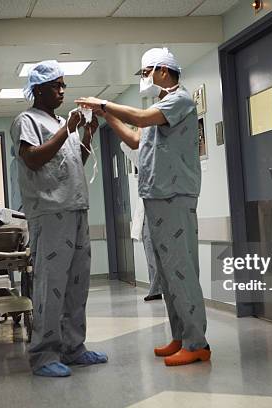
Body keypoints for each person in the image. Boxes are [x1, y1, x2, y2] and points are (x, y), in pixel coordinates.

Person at [75, 48, 210, 366]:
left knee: (182, 271)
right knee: (166, 274)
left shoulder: (181, 100)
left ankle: (196, 343)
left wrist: (104, 103)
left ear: (164, 70)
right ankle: (180, 337)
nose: (145, 79)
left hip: (175, 195)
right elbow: (136, 139)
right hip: (157, 196)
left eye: (146, 72)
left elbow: (140, 118)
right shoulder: (162, 106)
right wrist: (107, 117)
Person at [10, 60, 107, 378]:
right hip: (50, 214)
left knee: (77, 286)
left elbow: (74, 162)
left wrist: (87, 134)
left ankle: (73, 348)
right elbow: (34, 159)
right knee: (51, 286)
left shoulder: (64, 122)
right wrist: (68, 129)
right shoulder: (27, 121)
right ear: (38, 90)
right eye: (56, 86)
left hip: (76, 209)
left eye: (64, 85)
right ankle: (43, 355)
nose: (62, 91)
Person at [119, 142, 162, 302]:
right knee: (150, 251)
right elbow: (125, 145)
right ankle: (155, 288)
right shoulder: (145, 158)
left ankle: (158, 288)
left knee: (159, 253)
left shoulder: (163, 155)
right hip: (149, 209)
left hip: (162, 209)